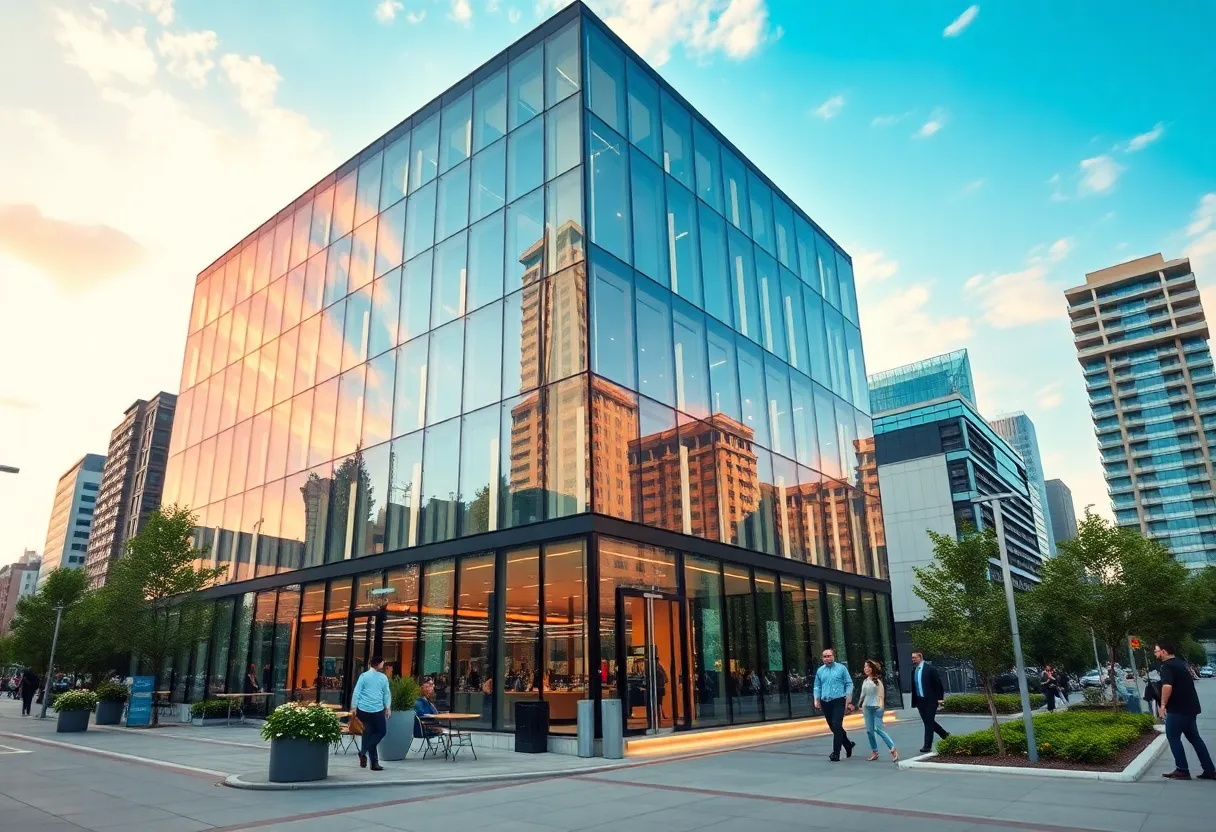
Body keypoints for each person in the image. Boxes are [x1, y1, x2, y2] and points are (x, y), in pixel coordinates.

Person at [1155, 640, 1215, 780]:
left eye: (1157, 651)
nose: (1155, 653)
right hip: (1190, 707)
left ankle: (1182, 769)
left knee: (1173, 737)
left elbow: (1167, 686)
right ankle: (1210, 770)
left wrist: (1163, 705)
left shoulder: (1167, 666)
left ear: (1164, 651)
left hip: (1178, 708)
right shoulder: (1181, 664)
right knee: (1195, 738)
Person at [813, 647, 855, 761]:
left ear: (833, 656)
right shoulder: (820, 671)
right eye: (824, 656)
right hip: (825, 701)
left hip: (838, 700)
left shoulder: (841, 668)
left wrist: (848, 696)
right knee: (833, 727)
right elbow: (817, 686)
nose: (826, 658)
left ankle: (836, 753)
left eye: (829, 656)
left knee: (836, 724)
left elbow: (849, 683)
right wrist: (816, 700)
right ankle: (848, 744)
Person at [350, 655, 391, 772]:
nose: (383, 665)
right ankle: (366, 755)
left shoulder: (363, 676)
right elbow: (386, 694)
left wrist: (354, 707)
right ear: (378, 664)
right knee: (381, 732)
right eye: (382, 663)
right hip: (377, 710)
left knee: (368, 735)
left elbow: (357, 692)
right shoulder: (383, 677)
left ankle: (373, 763)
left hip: (363, 709)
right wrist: (387, 707)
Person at [910, 651, 950, 753]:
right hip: (920, 701)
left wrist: (940, 699)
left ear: (920, 657)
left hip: (931, 701)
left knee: (928, 723)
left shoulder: (930, 669)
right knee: (929, 722)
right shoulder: (914, 670)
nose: (913, 659)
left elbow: (938, 684)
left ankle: (927, 746)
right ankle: (945, 735)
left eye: (914, 657)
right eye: (912, 658)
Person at [860, 659, 898, 762]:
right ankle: (875, 752)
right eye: (865, 667)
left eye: (868, 666)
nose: (866, 669)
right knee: (869, 731)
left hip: (876, 708)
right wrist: (859, 705)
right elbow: (862, 695)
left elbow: (881, 696)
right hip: (866, 708)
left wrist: (881, 708)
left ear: (873, 668)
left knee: (877, 729)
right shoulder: (865, 681)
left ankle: (892, 748)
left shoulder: (877, 681)